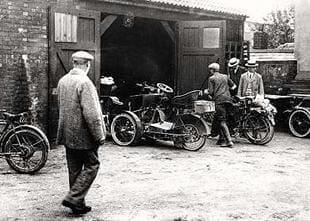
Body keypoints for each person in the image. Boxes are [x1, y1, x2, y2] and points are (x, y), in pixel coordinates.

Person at [56, 51, 106, 214]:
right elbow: (91, 114)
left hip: (67, 133)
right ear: (87, 65)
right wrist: (99, 135)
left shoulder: (62, 81)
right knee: (92, 165)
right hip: (83, 135)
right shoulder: (85, 83)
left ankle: (78, 205)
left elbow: (61, 106)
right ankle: (74, 197)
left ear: (74, 63)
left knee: (75, 168)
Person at [204, 63, 236, 147]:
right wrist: (226, 90)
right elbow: (233, 86)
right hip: (228, 100)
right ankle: (221, 139)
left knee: (222, 121)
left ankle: (229, 141)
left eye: (210, 70)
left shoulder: (211, 78)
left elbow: (210, 92)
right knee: (223, 119)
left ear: (212, 70)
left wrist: (206, 92)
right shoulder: (225, 76)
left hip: (219, 100)